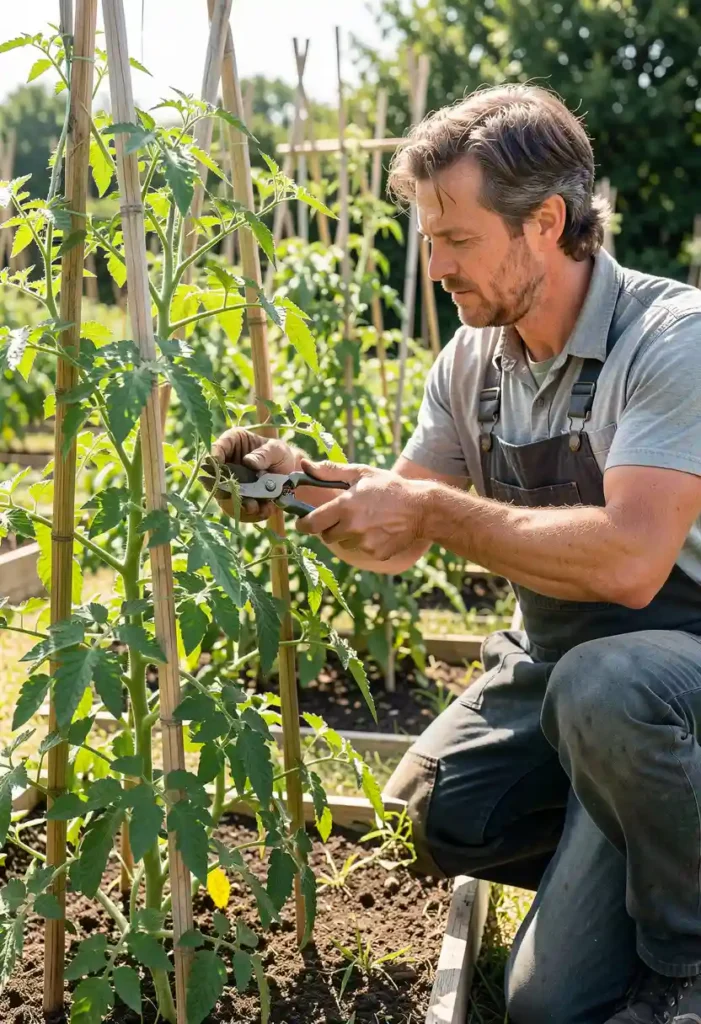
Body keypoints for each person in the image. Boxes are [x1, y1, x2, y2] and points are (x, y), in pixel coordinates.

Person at [210, 84, 701, 1023]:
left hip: (666, 676)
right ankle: (646, 840)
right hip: (567, 682)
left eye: (456, 238)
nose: (433, 264)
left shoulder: (666, 340)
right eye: (428, 237)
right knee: (442, 808)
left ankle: (685, 959)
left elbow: (632, 561)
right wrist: (296, 486)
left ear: (545, 222)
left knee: (541, 1008)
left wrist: (435, 511)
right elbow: (398, 525)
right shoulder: (474, 360)